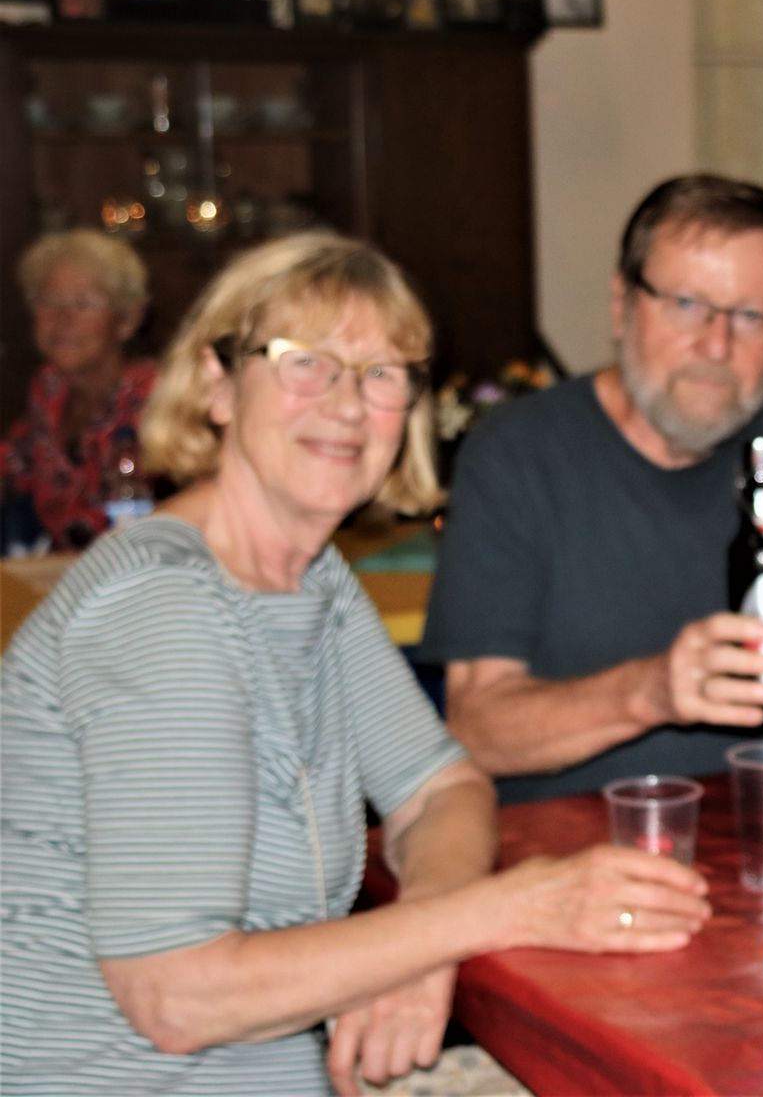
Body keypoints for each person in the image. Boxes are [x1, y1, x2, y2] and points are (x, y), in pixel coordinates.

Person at [0, 235, 711, 1095]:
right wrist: (502, 910)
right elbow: (174, 998)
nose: (345, 404)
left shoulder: (312, 580)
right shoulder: (164, 610)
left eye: (381, 374)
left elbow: (444, 789)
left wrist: (422, 939)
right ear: (218, 385)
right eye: (304, 362)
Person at [420, 174, 763, 802]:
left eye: (751, 317)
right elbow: (476, 730)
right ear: (622, 305)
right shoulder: (518, 455)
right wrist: (650, 693)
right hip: (569, 845)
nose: (716, 345)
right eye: (687, 305)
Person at [2, 229, 157, 551]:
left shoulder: (155, 401)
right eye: (49, 301)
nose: (62, 319)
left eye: (83, 304)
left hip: (141, 571)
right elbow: (15, 463)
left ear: (127, 320)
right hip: (60, 570)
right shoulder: (50, 389)